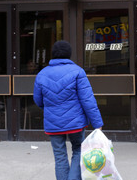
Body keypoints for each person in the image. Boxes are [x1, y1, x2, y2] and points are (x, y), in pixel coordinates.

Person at [33, 40, 104, 180]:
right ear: (69, 55)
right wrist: (97, 123)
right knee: (78, 150)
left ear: (53, 54)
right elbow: (87, 100)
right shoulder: (78, 71)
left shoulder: (42, 74)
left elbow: (38, 100)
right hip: (76, 123)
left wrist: (50, 109)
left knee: (60, 156)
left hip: (53, 123)